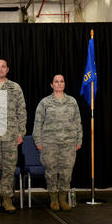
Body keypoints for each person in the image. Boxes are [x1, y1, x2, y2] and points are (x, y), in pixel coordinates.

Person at [32, 74, 82, 212]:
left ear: (64, 84)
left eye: (61, 81)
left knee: (66, 173)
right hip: (50, 144)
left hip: (69, 144)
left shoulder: (72, 102)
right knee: (51, 172)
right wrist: (38, 141)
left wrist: (79, 140)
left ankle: (63, 199)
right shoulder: (45, 103)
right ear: (51, 85)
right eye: (56, 82)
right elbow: (37, 123)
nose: (59, 84)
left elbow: (78, 122)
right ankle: (54, 200)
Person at [0, 58, 27, 213]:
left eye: (3, 67)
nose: (0, 69)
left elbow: (21, 112)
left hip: (10, 135)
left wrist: (21, 132)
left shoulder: (15, 88)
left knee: (9, 168)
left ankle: (8, 199)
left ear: (7, 69)